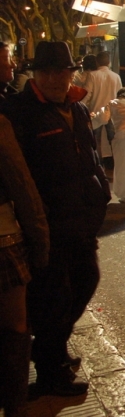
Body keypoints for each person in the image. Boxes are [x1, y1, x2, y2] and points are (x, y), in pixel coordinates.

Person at [1, 41, 109, 397]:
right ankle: (51, 371)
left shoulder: (76, 108)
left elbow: (90, 158)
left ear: (71, 73)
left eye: (61, 72)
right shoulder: (19, 111)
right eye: (46, 72)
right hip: (50, 223)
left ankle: (52, 349)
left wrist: (100, 198)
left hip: (82, 218)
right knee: (53, 298)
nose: (53, 79)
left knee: (86, 280)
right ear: (35, 74)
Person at [0, 114, 49, 415]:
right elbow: (21, 183)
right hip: (3, 238)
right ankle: (15, 407)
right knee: (15, 327)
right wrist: (39, 240)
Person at [83, 51, 123, 166]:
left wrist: (81, 106)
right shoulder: (116, 77)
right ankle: (117, 164)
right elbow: (120, 96)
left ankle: (100, 166)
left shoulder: (93, 75)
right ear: (109, 62)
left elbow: (86, 94)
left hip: (95, 113)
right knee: (114, 140)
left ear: (97, 62)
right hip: (112, 112)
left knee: (96, 141)